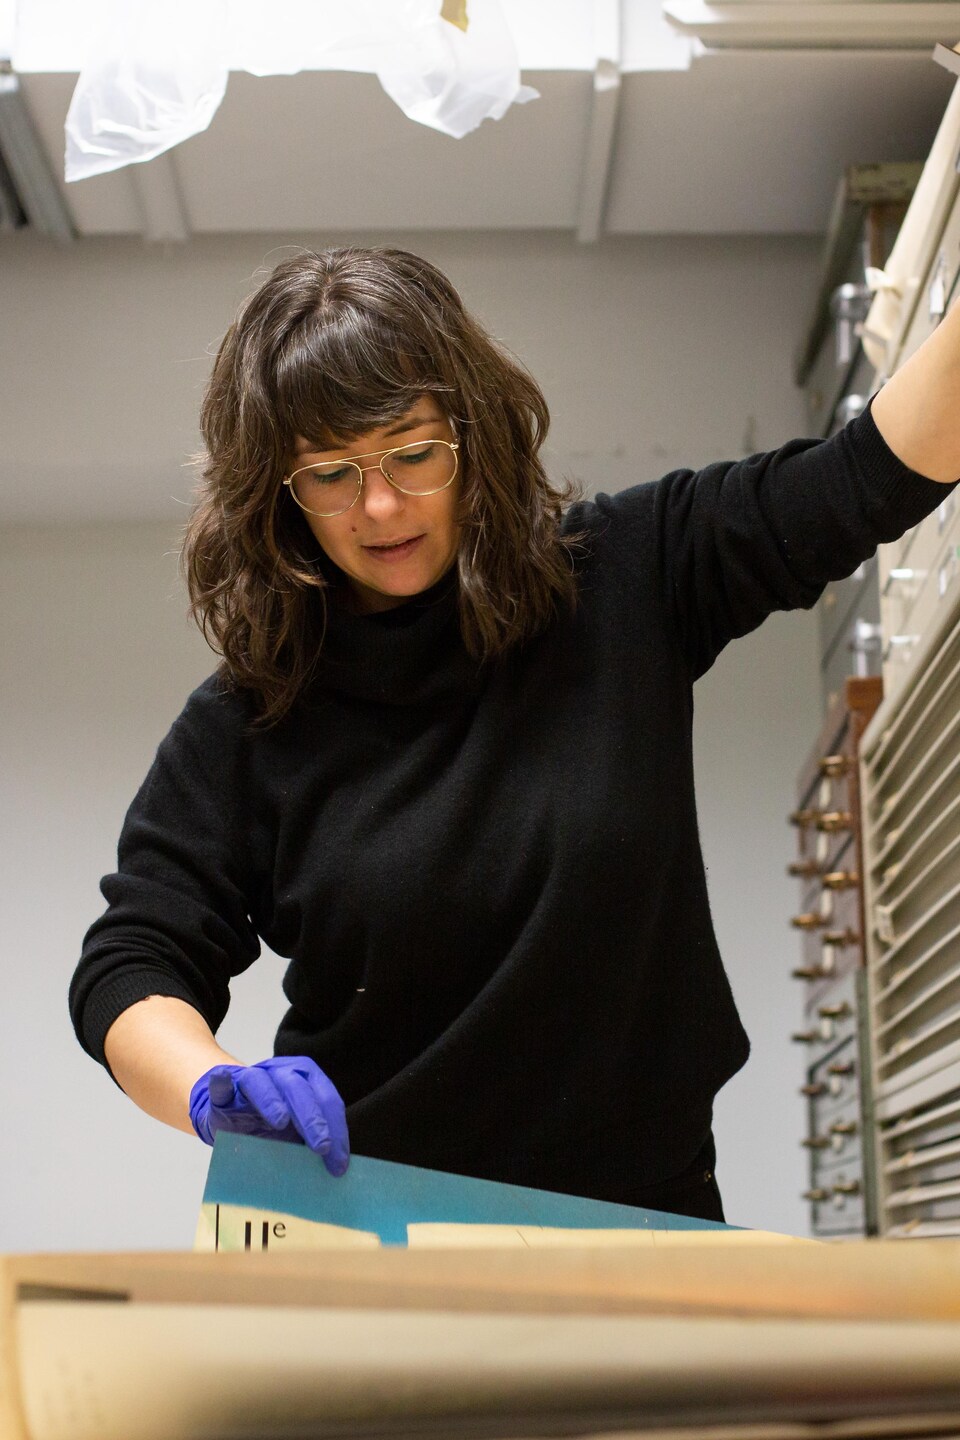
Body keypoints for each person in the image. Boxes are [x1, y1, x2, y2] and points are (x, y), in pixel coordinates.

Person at [69, 246, 959, 1222]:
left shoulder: (630, 575)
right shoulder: (251, 719)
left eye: (412, 453)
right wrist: (209, 1085)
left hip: (640, 1228)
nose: (377, 505)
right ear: (275, 494)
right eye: (329, 474)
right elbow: (132, 961)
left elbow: (866, 478)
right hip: (363, 1233)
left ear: (473, 434)